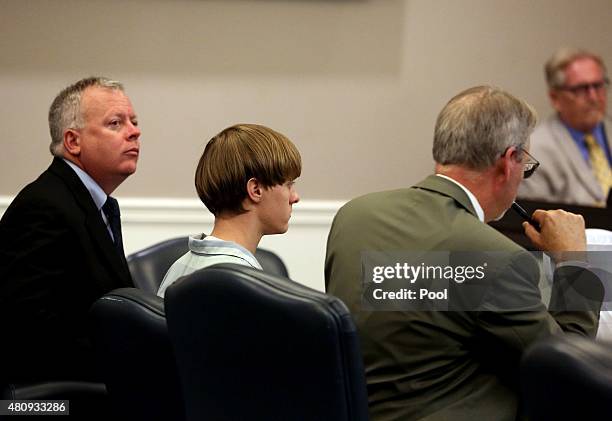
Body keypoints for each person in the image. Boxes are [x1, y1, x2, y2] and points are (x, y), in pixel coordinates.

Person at [325, 86, 602, 421]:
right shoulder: (493, 256)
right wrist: (573, 260)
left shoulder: (354, 216)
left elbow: (412, 294)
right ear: (508, 162)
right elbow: (569, 371)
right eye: (525, 165)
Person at [0, 76, 140, 383]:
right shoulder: (43, 208)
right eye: (116, 123)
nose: (134, 131)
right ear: (73, 141)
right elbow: (29, 332)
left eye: (133, 121)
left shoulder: (92, 203)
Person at [157, 123, 301, 297]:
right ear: (255, 190)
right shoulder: (243, 282)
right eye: (289, 185)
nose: (295, 197)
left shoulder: (178, 267)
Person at [519, 47, 612, 206]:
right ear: (555, 98)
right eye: (581, 89)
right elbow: (537, 220)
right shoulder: (535, 150)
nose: (594, 97)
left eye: (598, 85)